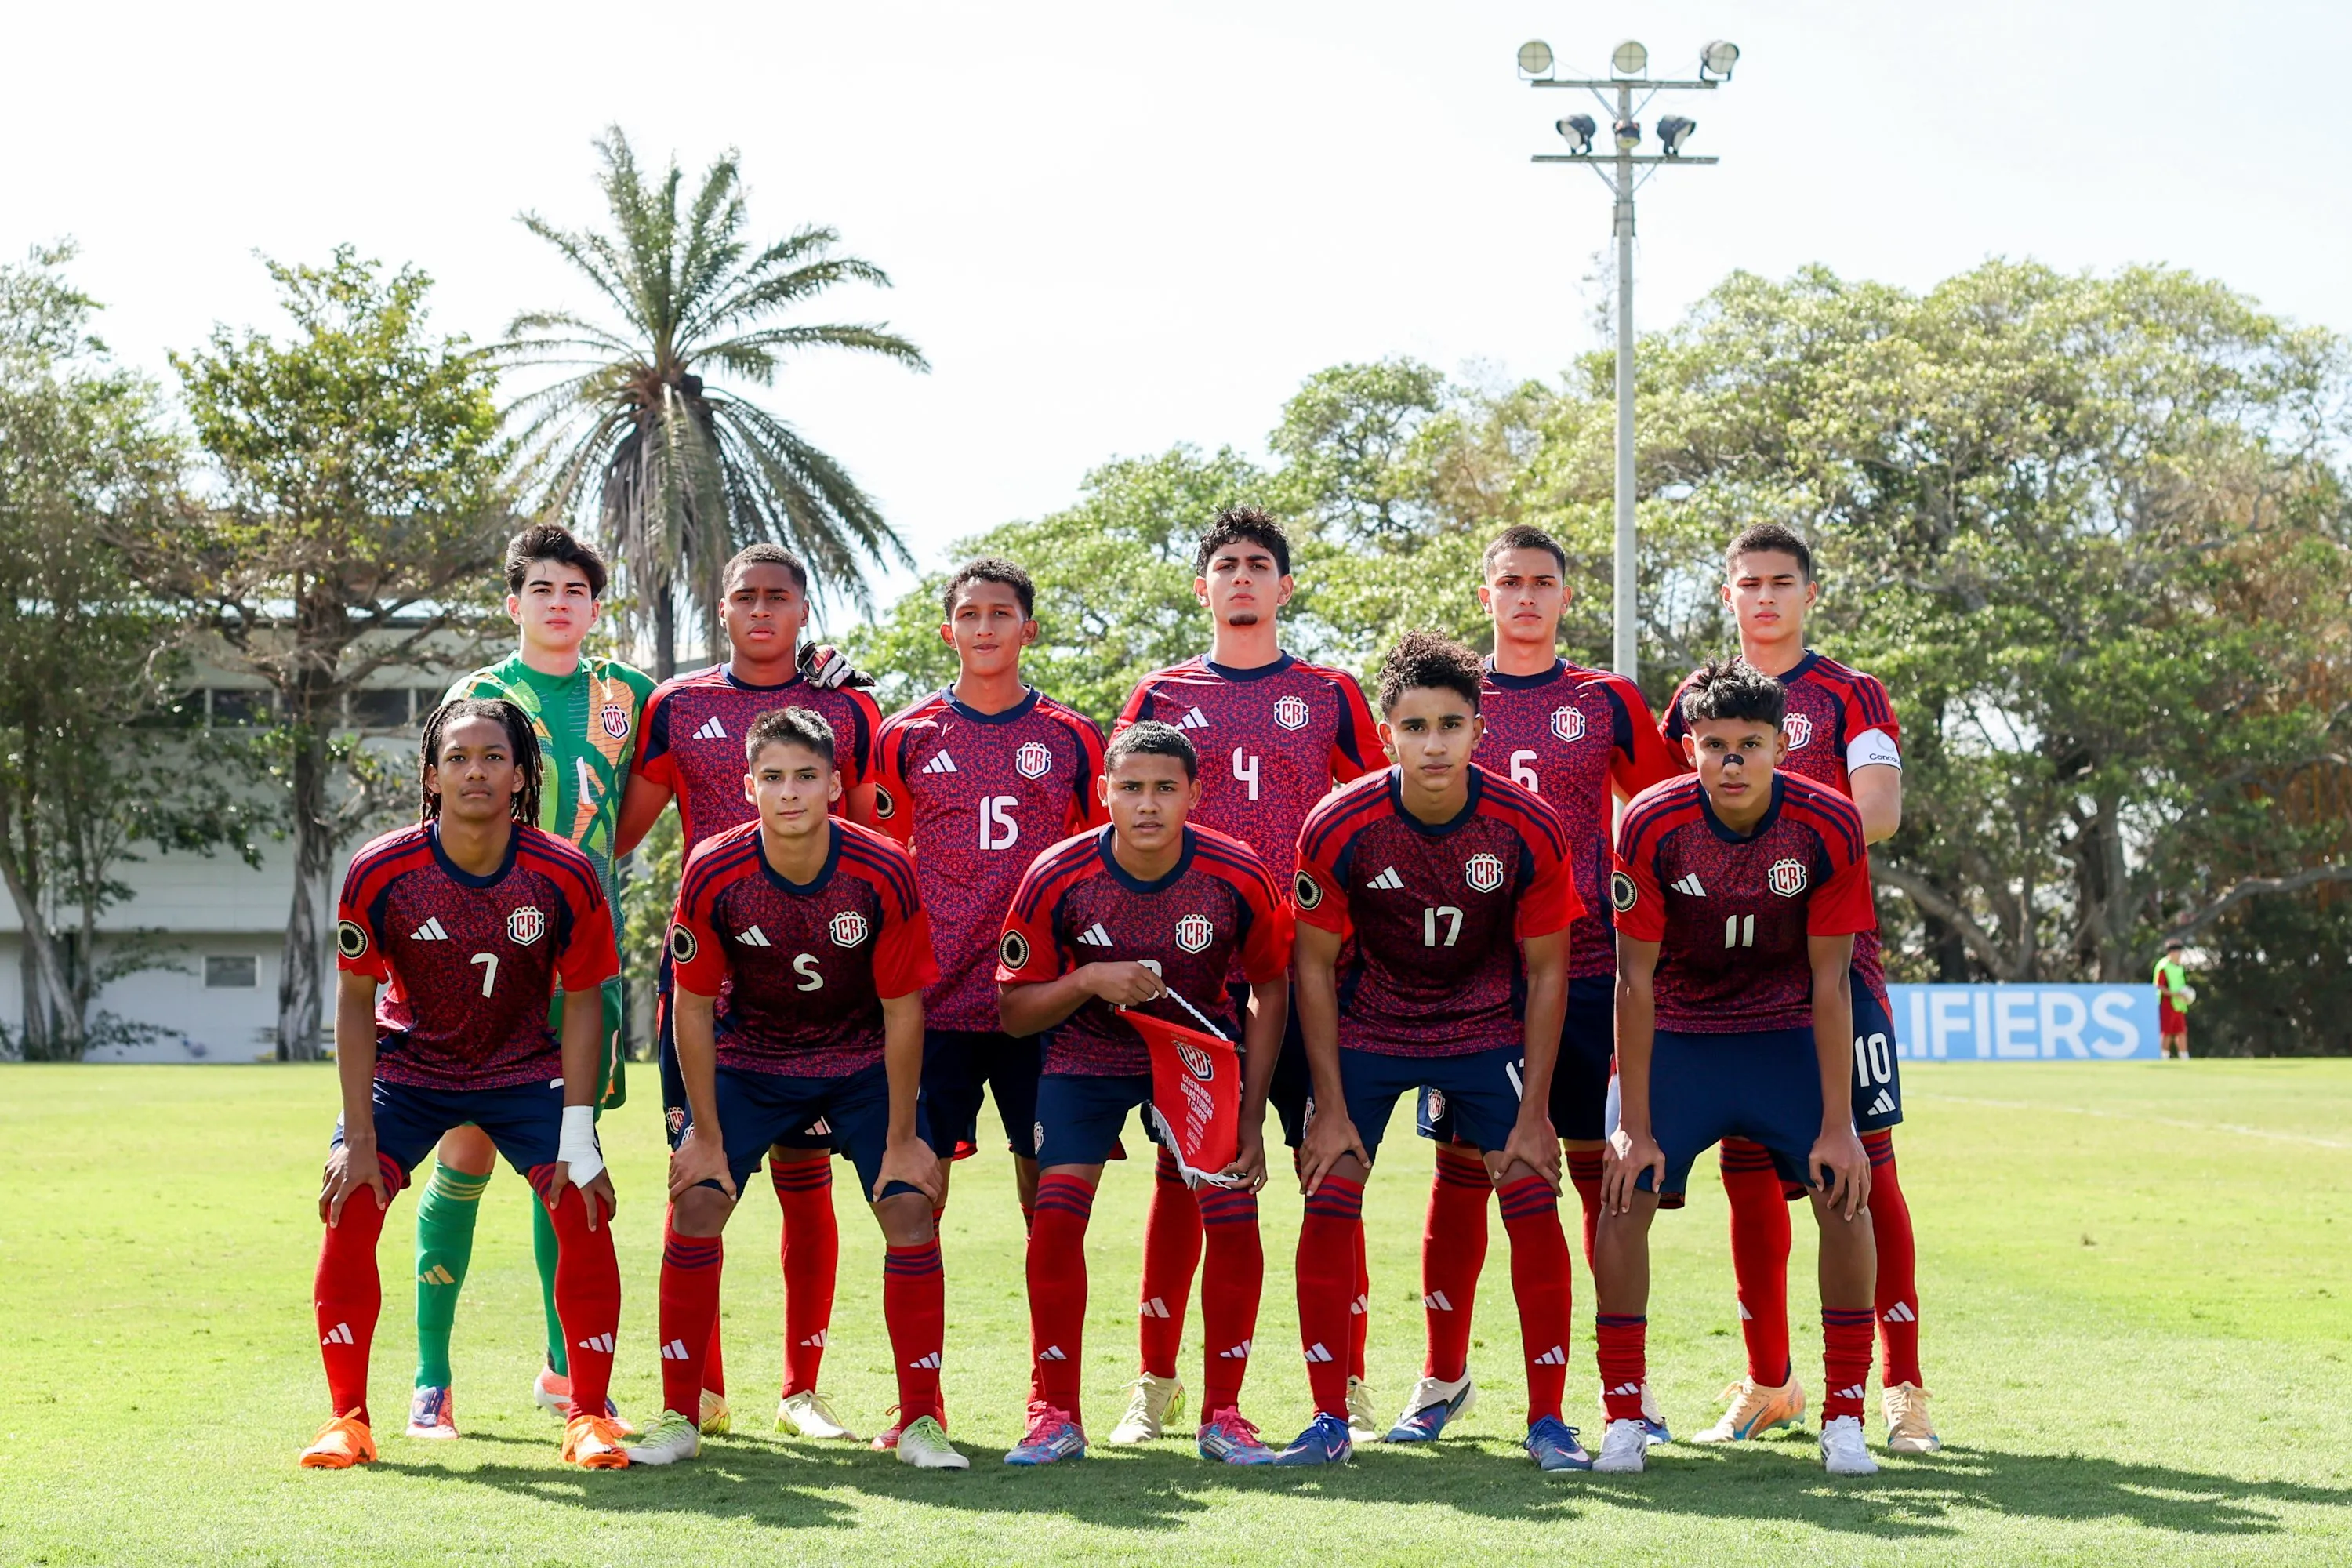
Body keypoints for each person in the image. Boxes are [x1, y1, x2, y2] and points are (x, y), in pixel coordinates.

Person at [1394, 525, 1681, 1444]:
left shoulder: (1605, 699)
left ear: (1566, 598)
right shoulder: (1446, 699)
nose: (1525, 596)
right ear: (1487, 596)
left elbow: (1668, 812)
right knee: (1463, 1174)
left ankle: (1619, 1387)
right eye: (1509, 581)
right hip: (1474, 980)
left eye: (1542, 583)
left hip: (1590, 968)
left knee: (1603, 1176)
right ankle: (1443, 1376)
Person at [622, 706, 967, 1471]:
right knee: (700, 1195)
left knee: (909, 1203)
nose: (789, 792)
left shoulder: (882, 866)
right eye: (772, 777)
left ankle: (919, 1421)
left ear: (835, 785)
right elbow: (692, 1002)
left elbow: (903, 1006)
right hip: (753, 1059)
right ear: (748, 786)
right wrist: (704, 1132)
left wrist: (906, 1136)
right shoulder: (714, 866)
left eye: (806, 776)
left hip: (859, 1062)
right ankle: (679, 1413)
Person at [1661, 522, 1939, 1455]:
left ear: (1809, 593)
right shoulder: (1693, 699)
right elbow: (1676, 824)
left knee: (1866, 1171)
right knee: (1746, 1176)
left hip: (1835, 963)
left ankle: (1901, 1388)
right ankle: (1772, 1380)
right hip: (1723, 976)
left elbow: (1883, 813)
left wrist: (1787, 850)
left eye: (1783, 581)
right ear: (1727, 593)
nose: (1766, 597)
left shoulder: (1852, 693)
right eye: (1750, 582)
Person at [1111, 506, 1385, 1443]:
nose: (1240, 577)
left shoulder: (1331, 691)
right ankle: (1156, 1384)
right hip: (1198, 976)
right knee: (1183, 1178)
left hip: (1314, 972)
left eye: (1257, 564)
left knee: (1330, 1172)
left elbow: (1372, 817)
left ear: (1283, 587)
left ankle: (1341, 1383)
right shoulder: (1158, 691)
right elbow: (1122, 817)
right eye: (1224, 563)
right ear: (1202, 586)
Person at [1283, 633, 1590, 1472]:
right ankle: (1327, 1418)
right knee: (1332, 1181)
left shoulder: (1526, 823)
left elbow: (1548, 967)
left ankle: (1549, 1419)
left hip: (1483, 1025)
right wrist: (1331, 1103)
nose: (1434, 742)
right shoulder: (1340, 822)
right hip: (1370, 1024)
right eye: (1415, 725)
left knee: (1529, 1185)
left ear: (1479, 728)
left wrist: (1535, 1115)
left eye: (1451, 723)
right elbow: (1310, 964)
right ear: (1387, 732)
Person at [301, 699, 629, 1470]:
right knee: (348, 1200)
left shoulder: (563, 872)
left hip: (522, 1069)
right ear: (432, 773)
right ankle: (347, 1418)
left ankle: (587, 1416)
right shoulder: (381, 869)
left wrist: (580, 1134)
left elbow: (586, 1001)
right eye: (458, 757)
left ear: (520, 775)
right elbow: (354, 1001)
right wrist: (358, 1134)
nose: (475, 770)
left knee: (583, 1198)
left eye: (492, 757)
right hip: (411, 1070)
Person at [615, 542, 881, 1443]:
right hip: (710, 976)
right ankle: (703, 1395)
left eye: (778, 596)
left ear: (805, 608)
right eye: (744, 596)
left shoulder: (846, 706)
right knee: (700, 1173)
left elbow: (885, 827)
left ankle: (801, 1388)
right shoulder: (677, 704)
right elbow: (618, 833)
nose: (761, 610)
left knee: (810, 1187)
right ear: (719, 608)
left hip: (824, 981)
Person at [1593, 659, 1881, 1478]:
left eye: (1749, 744)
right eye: (1714, 744)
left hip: (1783, 1031)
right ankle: (1623, 1414)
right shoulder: (1649, 822)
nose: (1731, 761)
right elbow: (1632, 979)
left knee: (1845, 1191)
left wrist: (1838, 1122)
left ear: (1782, 744)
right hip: (1680, 1032)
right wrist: (1635, 1125)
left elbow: (1832, 980)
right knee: (1622, 1192)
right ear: (1688, 747)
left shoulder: (1828, 823)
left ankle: (1846, 1416)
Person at [407, 524, 652, 1441]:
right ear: (514, 603)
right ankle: (432, 1377)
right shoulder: (480, 696)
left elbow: (662, 787)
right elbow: (442, 813)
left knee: (567, 1161)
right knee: (465, 1152)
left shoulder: (628, 695)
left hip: (579, 959)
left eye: (577, 590)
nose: (559, 603)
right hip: (484, 961)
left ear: (594, 605)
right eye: (542, 588)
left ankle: (566, 1372)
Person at [993, 721, 1293, 1466]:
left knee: (1229, 1212)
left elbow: (1270, 986)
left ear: (1195, 793)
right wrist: (1090, 978)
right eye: (1131, 788)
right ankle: (1054, 1413)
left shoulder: (1236, 872)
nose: (1148, 804)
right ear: (1105, 794)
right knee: (1056, 1220)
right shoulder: (1058, 873)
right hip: (1086, 1056)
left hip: (1196, 1054)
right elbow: (1012, 1008)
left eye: (1165, 788)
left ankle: (1224, 1415)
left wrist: (1251, 1116)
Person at [871, 558, 1107, 1234]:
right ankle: (925, 1345)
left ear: (1027, 630)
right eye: (969, 614)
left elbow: (1095, 865)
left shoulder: (1071, 735)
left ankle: (1050, 1346)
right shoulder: (906, 735)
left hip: (1038, 995)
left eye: (1000, 613)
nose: (984, 627)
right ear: (948, 632)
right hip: (934, 995)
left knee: (1050, 1198)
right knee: (918, 1191)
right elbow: (884, 865)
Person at [2154, 938, 2194, 1058]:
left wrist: (2186, 996)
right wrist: (2176, 994)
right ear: (2171, 952)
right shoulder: (2163, 966)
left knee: (2181, 1031)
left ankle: (2184, 1055)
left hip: (2179, 1004)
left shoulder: (2179, 966)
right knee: (2167, 1032)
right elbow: (2159, 986)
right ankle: (2164, 1056)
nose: (2180, 955)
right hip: (2166, 1002)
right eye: (2178, 952)